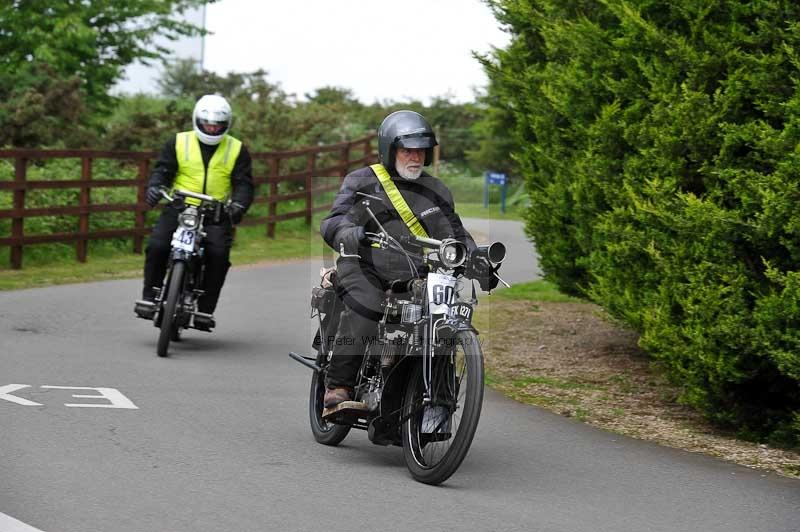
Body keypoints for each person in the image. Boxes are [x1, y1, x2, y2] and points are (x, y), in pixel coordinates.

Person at [319, 110, 498, 412]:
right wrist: (351, 232)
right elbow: (333, 220)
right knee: (367, 303)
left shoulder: (436, 191)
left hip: (414, 271)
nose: (415, 157)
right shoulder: (362, 181)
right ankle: (339, 384)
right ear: (390, 150)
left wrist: (477, 259)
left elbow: (454, 233)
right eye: (407, 150)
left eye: (420, 151)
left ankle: (426, 398)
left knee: (438, 314)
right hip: (364, 265)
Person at [134, 94, 254, 331]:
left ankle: (205, 310)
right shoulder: (178, 142)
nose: (212, 128)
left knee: (218, 255)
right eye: (207, 123)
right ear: (197, 120)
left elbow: (244, 184)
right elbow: (163, 171)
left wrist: (238, 205)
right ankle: (150, 295)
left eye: (217, 125)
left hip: (216, 213)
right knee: (157, 245)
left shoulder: (237, 149)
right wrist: (155, 188)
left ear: (226, 124)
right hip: (179, 207)